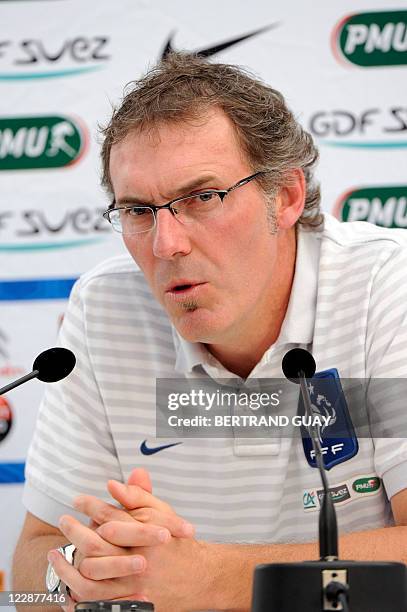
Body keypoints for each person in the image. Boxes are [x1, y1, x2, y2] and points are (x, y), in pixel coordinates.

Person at [13, 53, 407, 612]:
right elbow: (33, 555)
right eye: (138, 210)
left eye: (203, 197)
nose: (165, 244)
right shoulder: (105, 308)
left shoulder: (387, 285)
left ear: (286, 196)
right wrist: (93, 570)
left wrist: (211, 579)